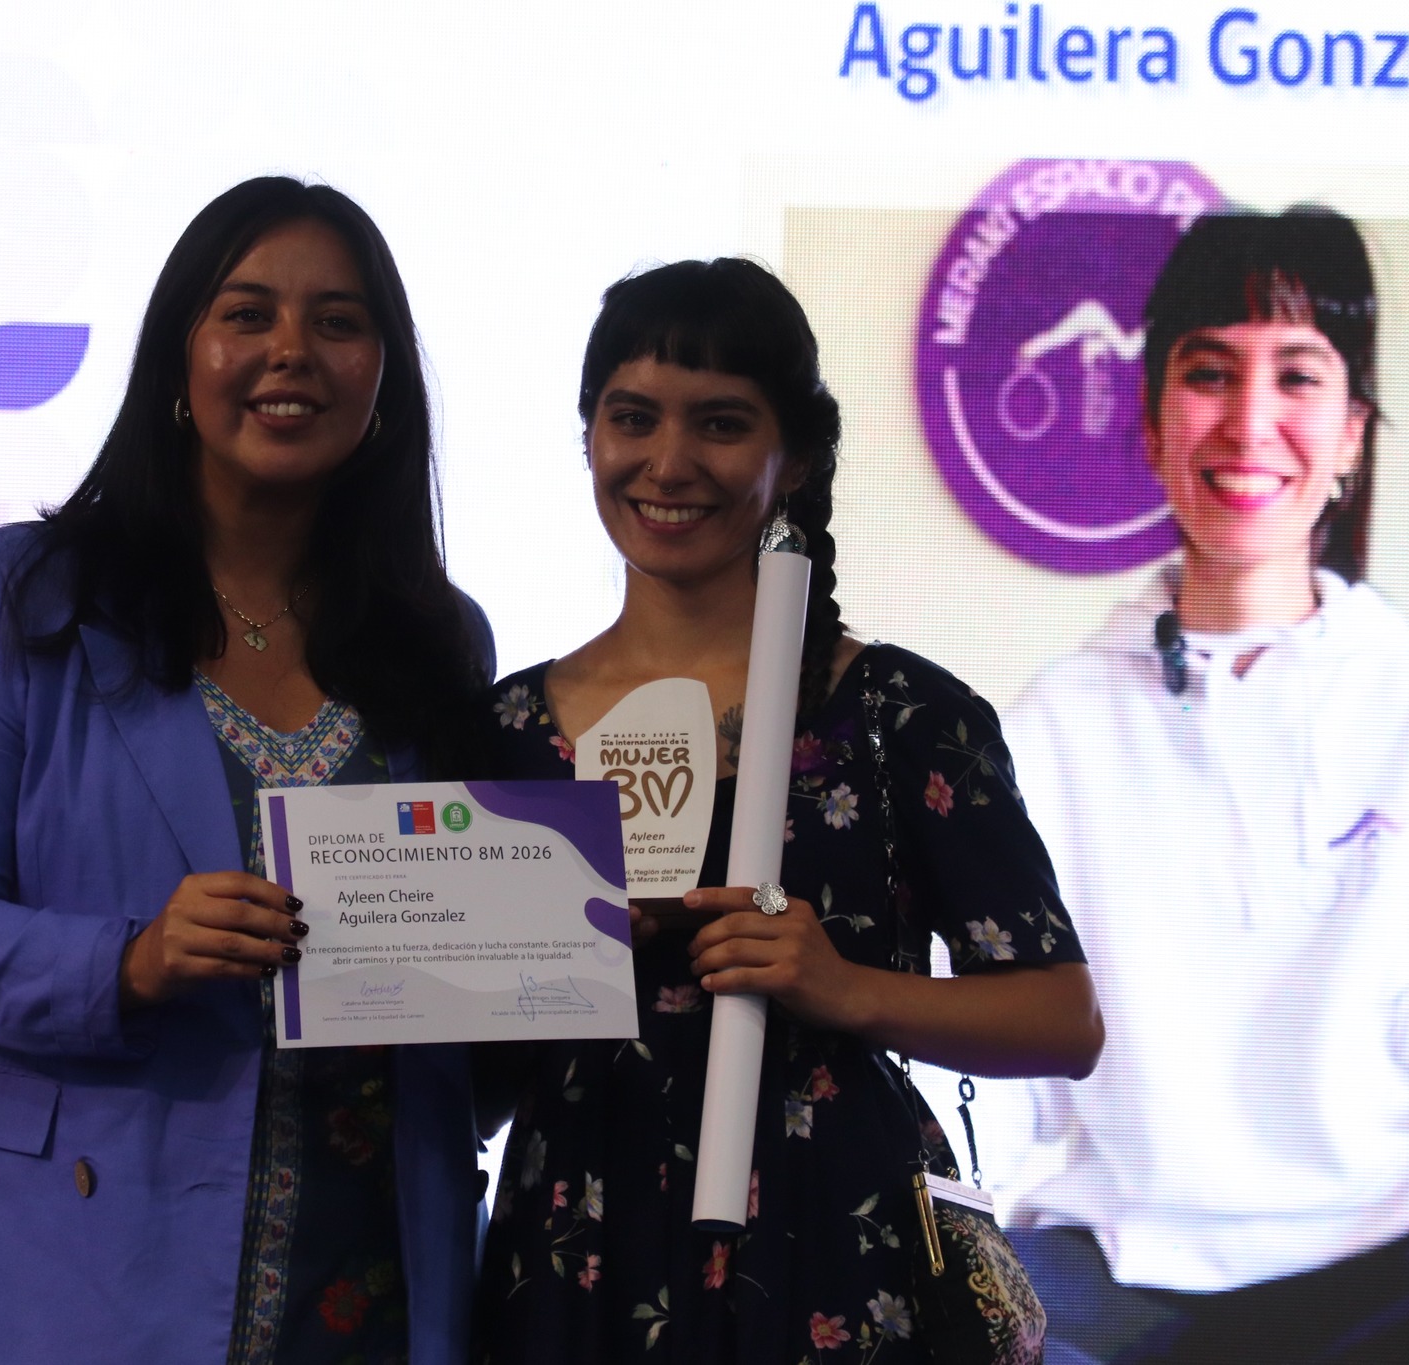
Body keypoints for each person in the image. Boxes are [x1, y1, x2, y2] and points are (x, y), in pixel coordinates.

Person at [0, 177, 493, 1365]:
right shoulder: (19, 599)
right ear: (179, 360)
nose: (291, 350)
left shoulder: (439, 640)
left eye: (338, 322)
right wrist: (129, 960)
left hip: (357, 1283)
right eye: (246, 314)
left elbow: (447, 957)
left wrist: (558, 950)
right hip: (51, 1279)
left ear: (383, 379)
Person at [472, 258, 1103, 1363]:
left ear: (797, 457)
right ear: (589, 436)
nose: (669, 463)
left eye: (720, 423)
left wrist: (842, 986)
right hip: (577, 1252)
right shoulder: (507, 732)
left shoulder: (900, 713)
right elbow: (470, 1082)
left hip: (830, 1251)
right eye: (632, 418)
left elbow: (1062, 1019)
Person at [1001, 207, 1409, 1362]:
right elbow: (1006, 1069)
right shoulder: (1043, 731)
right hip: (1126, 1277)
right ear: (1151, 425)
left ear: (1349, 435)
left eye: (1294, 376)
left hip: (1404, 1270)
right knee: (915, 1299)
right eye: (1207, 374)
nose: (1248, 421)